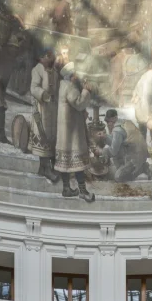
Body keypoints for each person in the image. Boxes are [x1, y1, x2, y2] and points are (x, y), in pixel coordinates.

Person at [54, 63, 95, 200]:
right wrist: (86, 91)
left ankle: (66, 188)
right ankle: (83, 191)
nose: (78, 77)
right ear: (72, 76)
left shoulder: (62, 85)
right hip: (72, 130)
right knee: (78, 161)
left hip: (65, 129)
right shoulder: (70, 87)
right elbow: (78, 103)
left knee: (65, 161)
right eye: (76, 74)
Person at [30, 48, 60, 183]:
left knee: (53, 136)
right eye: (48, 56)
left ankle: (48, 167)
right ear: (42, 58)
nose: (51, 58)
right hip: (41, 108)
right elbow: (34, 88)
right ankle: (46, 168)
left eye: (52, 56)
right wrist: (44, 95)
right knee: (43, 135)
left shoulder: (55, 72)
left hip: (53, 109)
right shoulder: (37, 70)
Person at [100, 108, 152, 181]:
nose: (108, 124)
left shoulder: (118, 130)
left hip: (134, 158)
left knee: (118, 177)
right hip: (140, 154)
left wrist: (102, 151)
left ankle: (141, 169)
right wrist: (105, 137)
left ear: (115, 118)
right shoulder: (124, 122)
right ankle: (127, 167)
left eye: (109, 121)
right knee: (116, 151)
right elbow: (116, 141)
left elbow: (113, 151)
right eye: (107, 121)